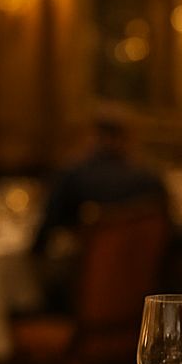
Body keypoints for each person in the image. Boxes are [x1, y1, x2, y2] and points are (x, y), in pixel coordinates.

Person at [35, 111, 165, 259]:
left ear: (94, 137)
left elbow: (50, 222)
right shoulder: (150, 178)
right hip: (143, 272)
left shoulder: (73, 176)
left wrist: (34, 253)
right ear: (127, 139)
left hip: (86, 270)